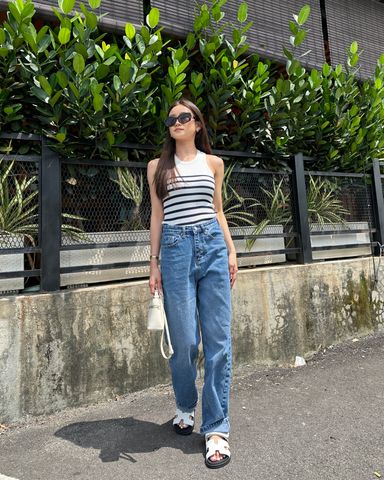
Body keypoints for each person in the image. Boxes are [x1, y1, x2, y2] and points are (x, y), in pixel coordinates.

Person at [147, 98, 238, 469]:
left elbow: (218, 210)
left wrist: (231, 251)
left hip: (213, 248)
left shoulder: (213, 164)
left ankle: (216, 428)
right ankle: (185, 405)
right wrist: (153, 264)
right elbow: (156, 216)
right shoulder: (157, 166)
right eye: (171, 118)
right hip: (174, 250)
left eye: (184, 117)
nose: (177, 122)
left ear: (198, 124)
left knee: (219, 341)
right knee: (183, 341)